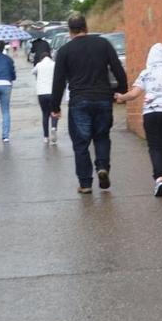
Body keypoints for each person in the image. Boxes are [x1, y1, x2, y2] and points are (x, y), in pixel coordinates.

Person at [50, 15, 127, 194]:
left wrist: (55, 107)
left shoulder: (65, 51)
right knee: (101, 136)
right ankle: (102, 167)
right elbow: (118, 69)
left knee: (80, 142)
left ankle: (85, 183)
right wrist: (121, 92)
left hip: (79, 101)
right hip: (103, 98)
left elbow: (58, 81)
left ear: (70, 31)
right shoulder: (103, 44)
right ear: (86, 27)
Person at [115, 43, 162, 197]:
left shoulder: (146, 73)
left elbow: (134, 94)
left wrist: (121, 97)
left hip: (151, 114)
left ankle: (160, 178)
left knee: (156, 147)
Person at [32, 51, 58, 144]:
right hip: (52, 92)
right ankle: (54, 128)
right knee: (54, 111)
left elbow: (33, 72)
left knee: (45, 114)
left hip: (41, 93)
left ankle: (46, 137)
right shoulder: (54, 64)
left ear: (41, 58)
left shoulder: (39, 65)